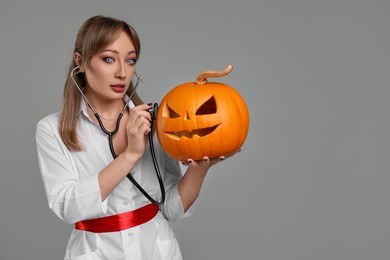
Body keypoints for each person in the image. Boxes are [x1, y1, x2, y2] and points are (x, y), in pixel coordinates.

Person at [36, 15, 235, 260]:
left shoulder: (157, 120)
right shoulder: (51, 129)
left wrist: (199, 169)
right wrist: (130, 155)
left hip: (157, 251)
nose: (122, 72)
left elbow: (171, 208)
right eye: (109, 59)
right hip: (96, 253)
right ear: (81, 61)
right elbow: (69, 207)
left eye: (130, 60)